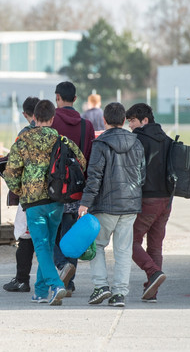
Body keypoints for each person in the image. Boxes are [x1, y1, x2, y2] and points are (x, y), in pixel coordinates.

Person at [3, 100, 86, 306]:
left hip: (33, 201)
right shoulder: (62, 140)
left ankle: (56, 285)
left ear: (34, 118)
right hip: (56, 199)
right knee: (47, 245)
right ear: (52, 119)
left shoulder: (23, 140)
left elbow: (11, 171)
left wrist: (20, 190)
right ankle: (40, 292)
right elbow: (81, 162)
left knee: (40, 245)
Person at [78, 102, 145, 308]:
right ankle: (119, 294)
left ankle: (101, 286)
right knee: (123, 251)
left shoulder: (100, 144)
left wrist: (85, 204)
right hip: (130, 206)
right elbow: (141, 175)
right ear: (124, 120)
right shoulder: (137, 143)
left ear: (104, 120)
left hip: (105, 206)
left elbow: (94, 177)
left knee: (97, 246)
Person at [51, 81, 95, 297]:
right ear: (75, 99)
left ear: (57, 97)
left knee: (53, 234)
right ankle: (70, 282)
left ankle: (60, 268)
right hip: (77, 189)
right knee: (72, 235)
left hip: (53, 188)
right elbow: (89, 156)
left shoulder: (50, 123)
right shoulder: (87, 125)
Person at [126, 103, 172, 302]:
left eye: (133, 121)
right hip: (167, 200)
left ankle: (153, 273)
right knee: (155, 246)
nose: (130, 126)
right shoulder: (168, 139)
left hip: (147, 199)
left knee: (129, 242)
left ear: (145, 120)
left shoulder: (138, 140)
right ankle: (152, 289)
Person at [3, 96, 39, 293]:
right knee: (47, 240)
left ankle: (22, 279)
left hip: (29, 195)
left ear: (25, 114)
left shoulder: (24, 135)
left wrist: (17, 190)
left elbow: (13, 168)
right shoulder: (55, 133)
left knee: (26, 238)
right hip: (53, 195)